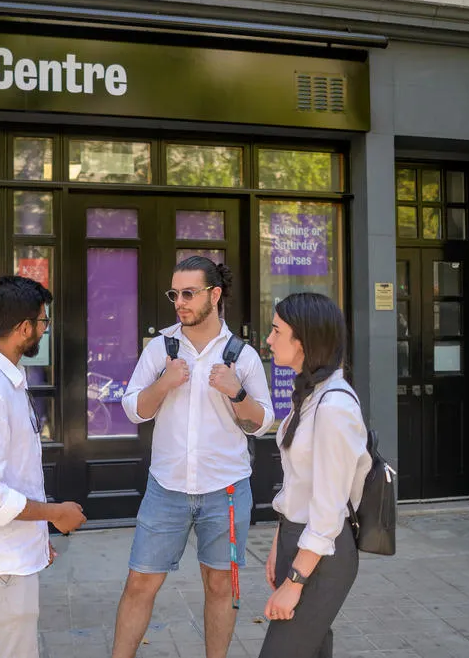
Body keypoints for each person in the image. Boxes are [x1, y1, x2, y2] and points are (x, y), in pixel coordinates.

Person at [112, 256, 275, 658]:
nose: (179, 302)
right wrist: (164, 383)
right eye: (175, 294)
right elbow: (134, 408)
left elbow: (263, 423)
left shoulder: (242, 355)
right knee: (139, 584)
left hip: (227, 493)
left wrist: (237, 392)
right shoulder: (161, 348)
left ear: (214, 295)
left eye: (189, 293)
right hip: (166, 489)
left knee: (221, 586)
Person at [0, 275, 86, 658]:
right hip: (1, 561)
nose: (44, 330)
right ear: (24, 328)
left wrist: (36, 538)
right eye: (43, 322)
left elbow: (14, 476)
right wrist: (55, 514)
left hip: (12, 554)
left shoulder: (3, 378)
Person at [259, 292, 372, 658]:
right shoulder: (311, 395)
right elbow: (297, 484)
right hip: (299, 541)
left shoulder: (334, 406)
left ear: (304, 340)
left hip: (322, 554)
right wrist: (280, 545)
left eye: (277, 331)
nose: (269, 340)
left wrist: (295, 581)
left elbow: (328, 509)